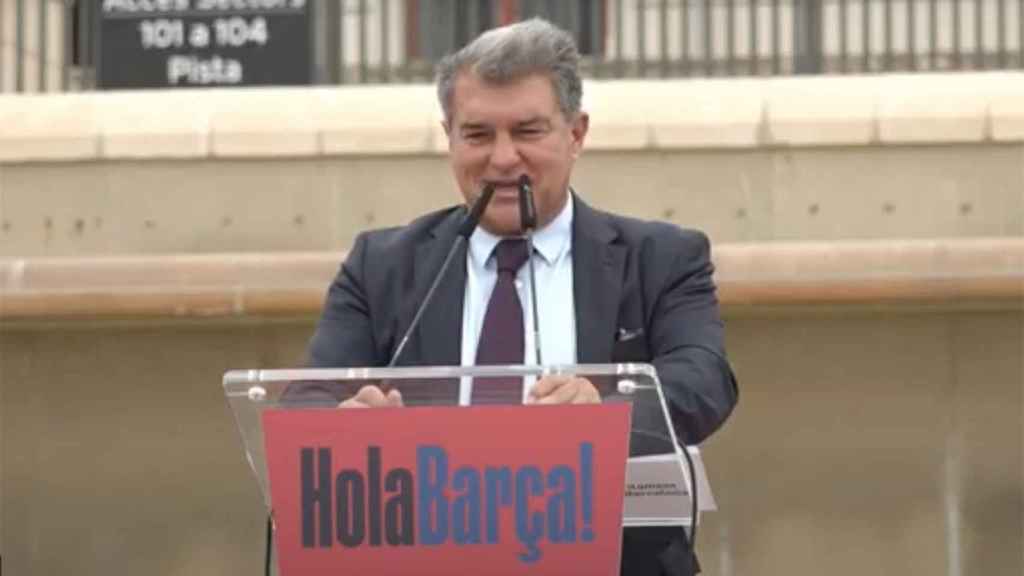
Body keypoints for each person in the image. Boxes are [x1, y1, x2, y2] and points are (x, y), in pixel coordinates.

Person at [305, 18, 738, 576]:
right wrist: (347, 421)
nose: (503, 159)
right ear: (450, 138)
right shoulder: (383, 264)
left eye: (528, 131)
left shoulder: (660, 257)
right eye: (478, 134)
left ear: (576, 134)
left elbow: (705, 381)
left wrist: (607, 412)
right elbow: (308, 396)